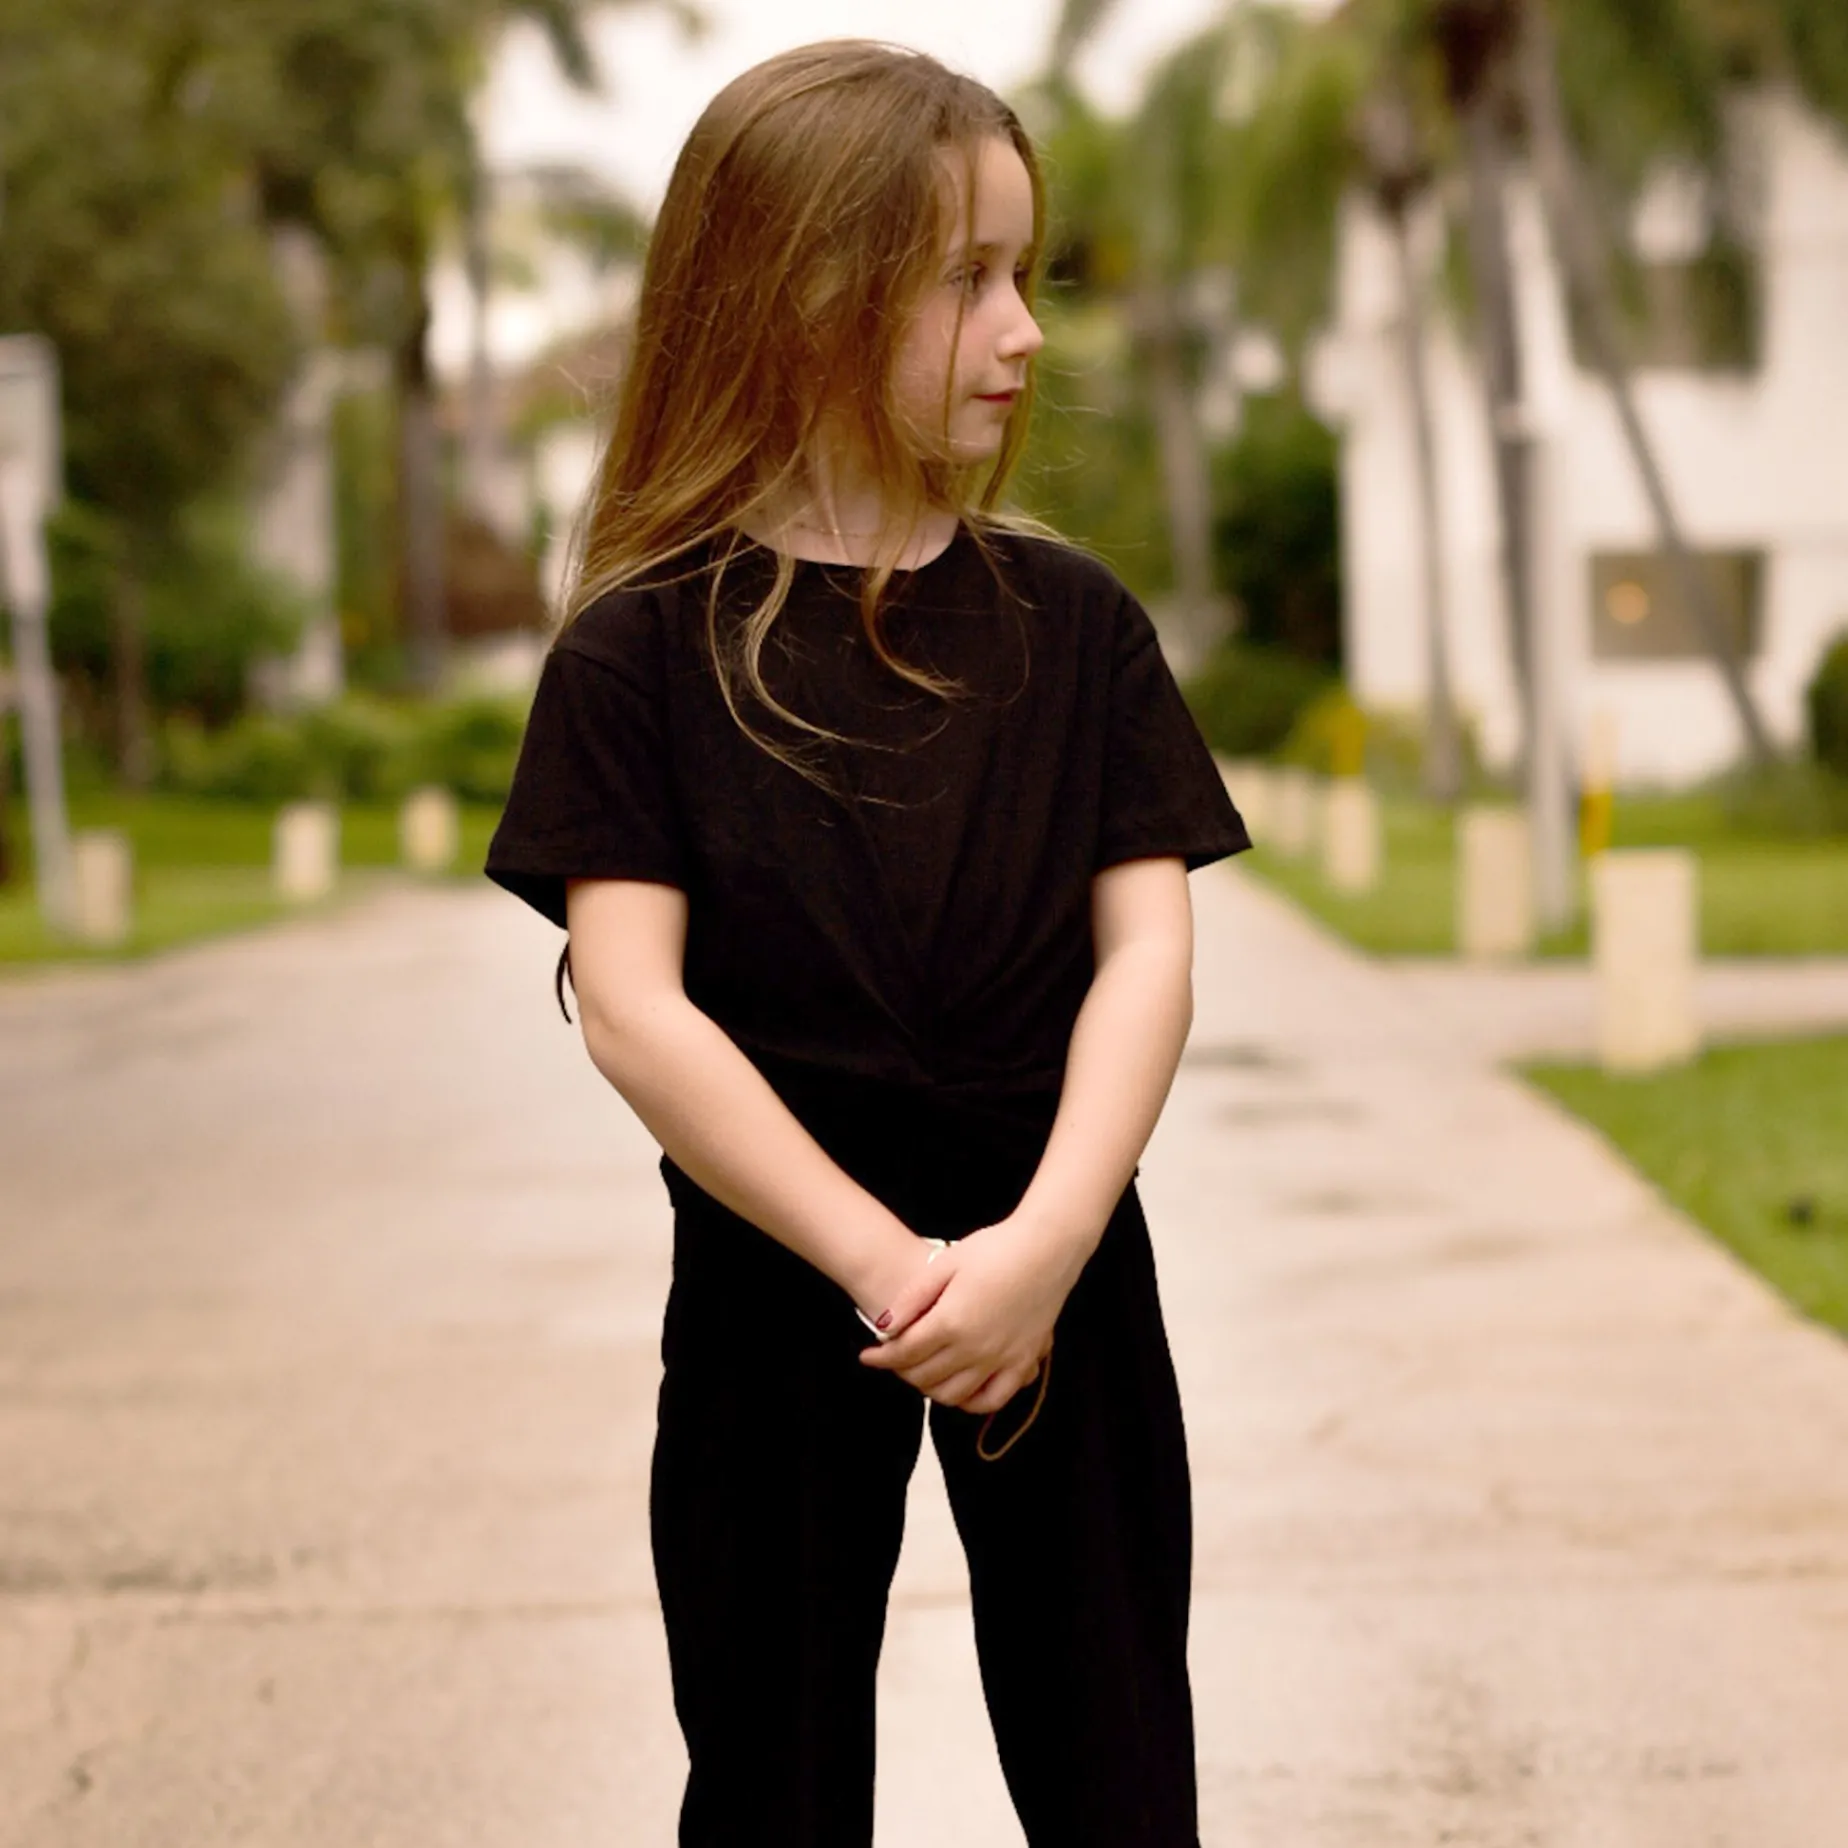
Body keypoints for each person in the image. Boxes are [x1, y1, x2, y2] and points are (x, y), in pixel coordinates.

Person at [485, 39, 1249, 1848]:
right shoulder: (638, 651)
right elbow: (635, 1011)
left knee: (1119, 1766)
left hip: (1065, 1267)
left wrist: (1044, 1249)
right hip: (777, 1282)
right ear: (807, 292)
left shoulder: (1076, 625)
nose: (1024, 330)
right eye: (968, 278)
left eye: (1025, 273)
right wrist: (887, 1269)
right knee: (773, 1769)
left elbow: (1147, 957)